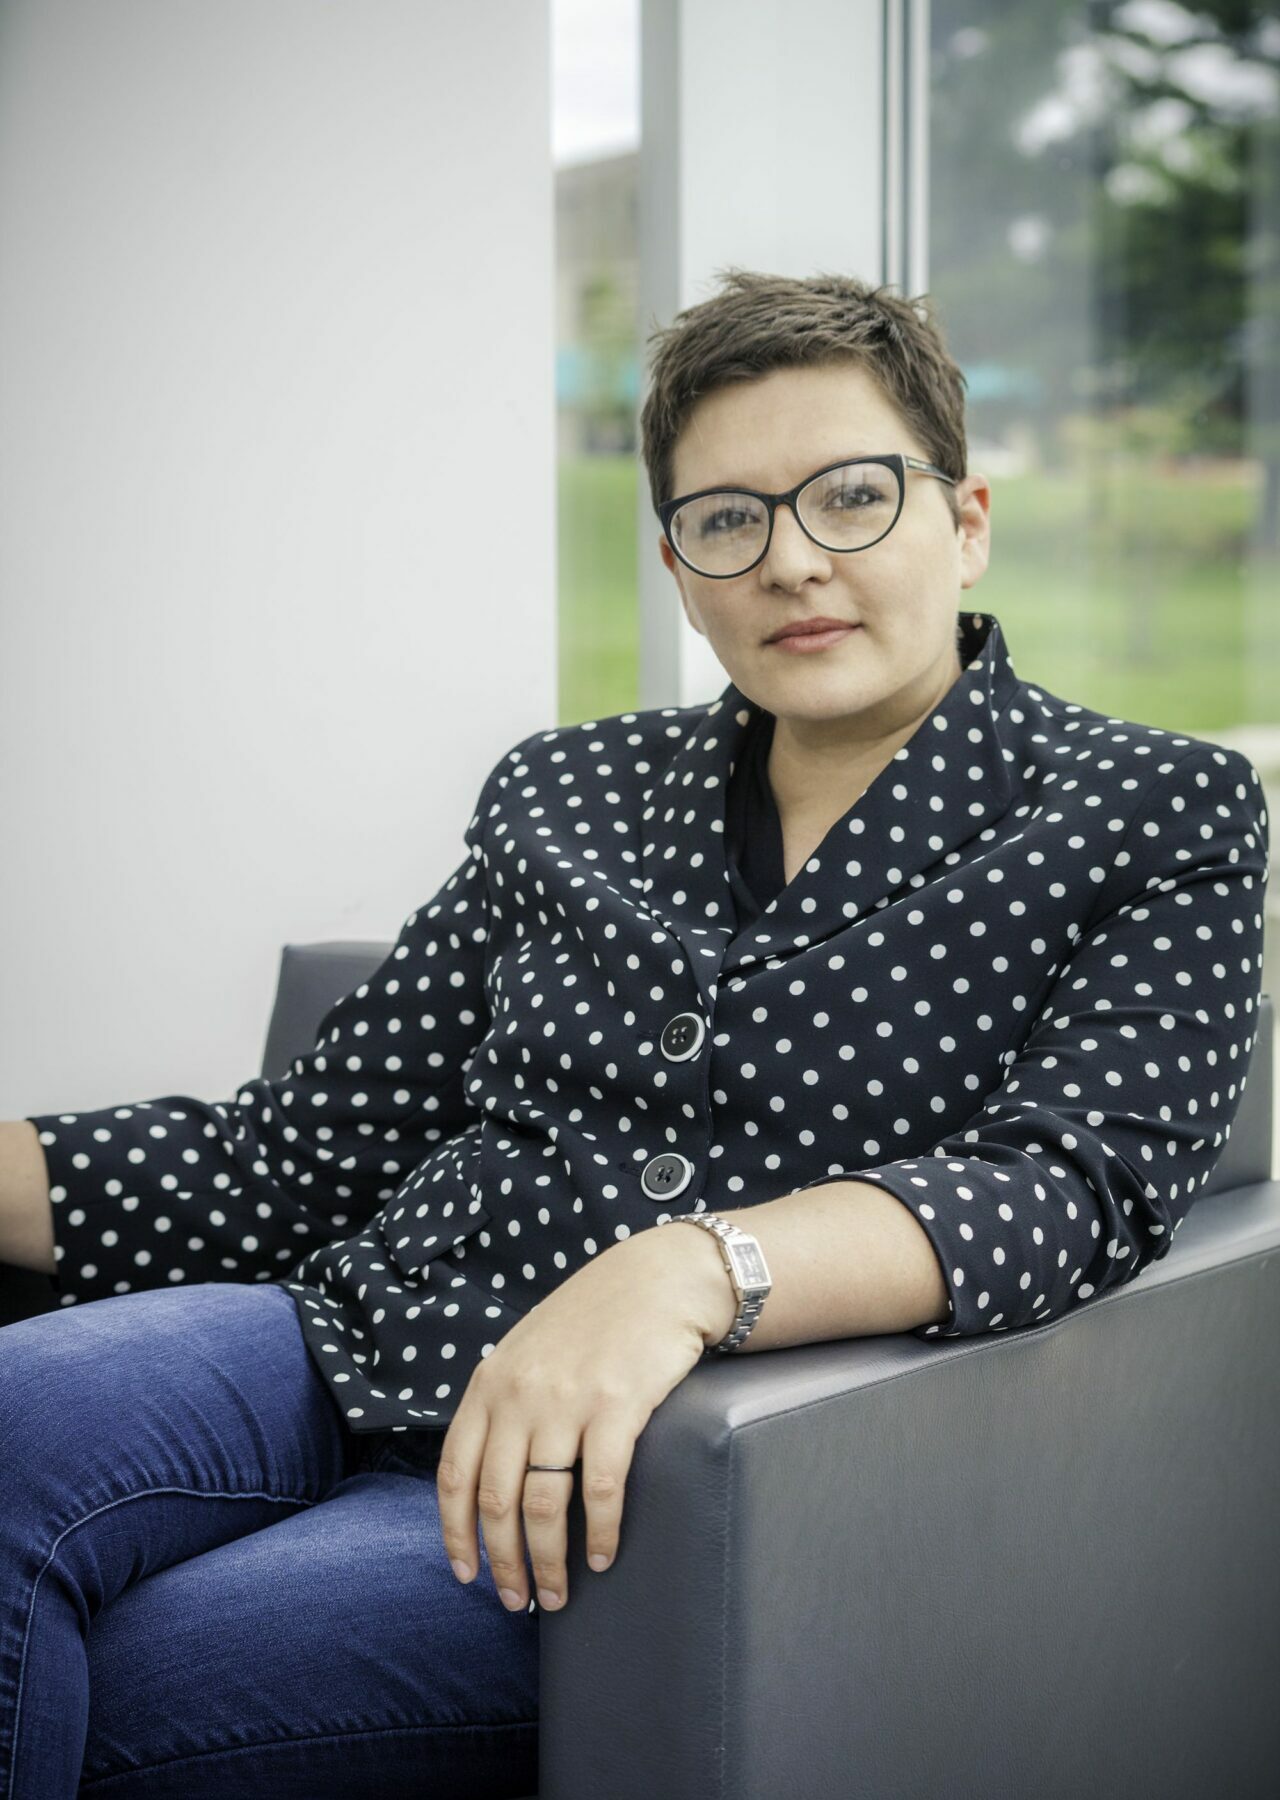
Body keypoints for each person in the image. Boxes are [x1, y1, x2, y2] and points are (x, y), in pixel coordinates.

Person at [0, 269, 1269, 1796]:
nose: (793, 560)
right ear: (681, 566)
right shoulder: (570, 790)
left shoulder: (1150, 811)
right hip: (348, 1334)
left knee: (141, 1685)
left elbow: (1071, 1188)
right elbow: (296, 1151)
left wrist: (689, 1270)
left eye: (852, 496)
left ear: (967, 519)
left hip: (640, 1482)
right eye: (729, 519)